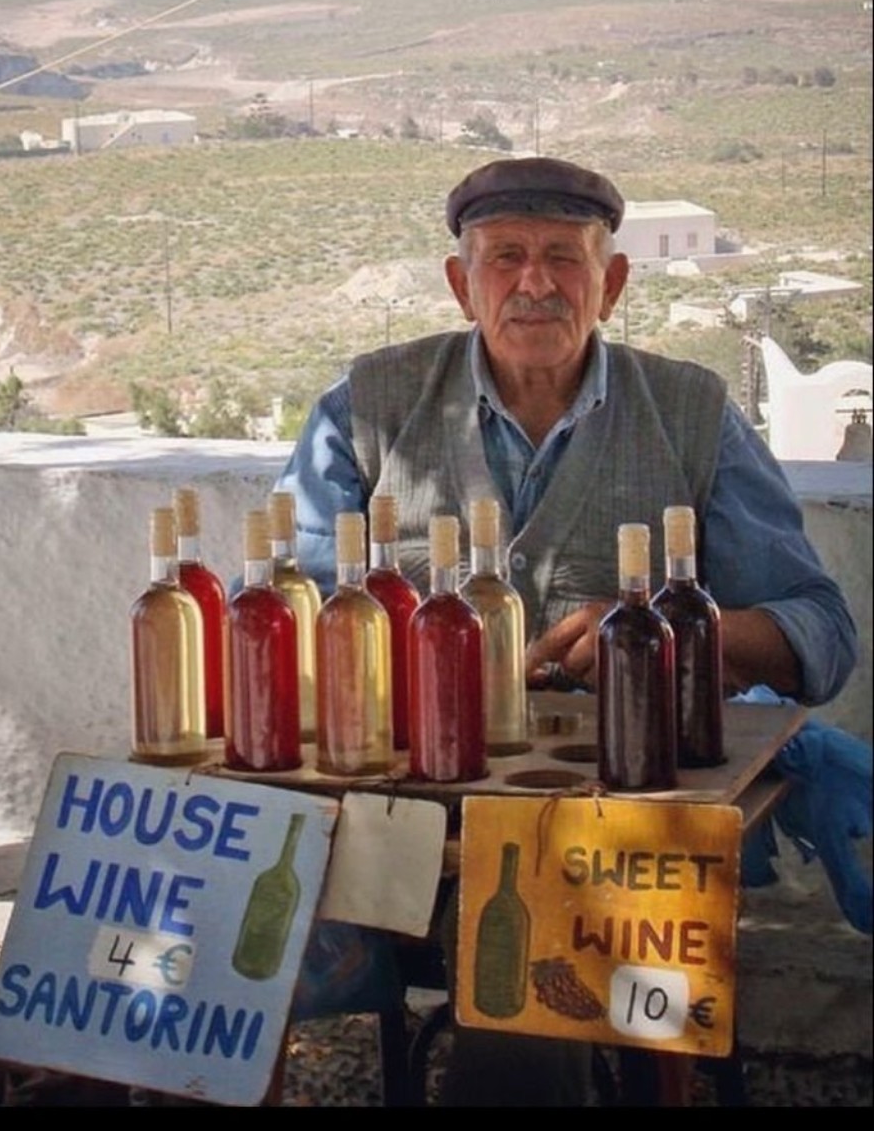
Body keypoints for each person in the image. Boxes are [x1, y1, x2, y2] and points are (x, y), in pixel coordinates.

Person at [274, 153, 858, 1105]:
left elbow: (819, 638)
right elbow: (296, 613)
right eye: (504, 258)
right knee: (195, 909)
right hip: (400, 811)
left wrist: (666, 632)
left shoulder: (690, 412)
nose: (534, 283)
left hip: (607, 822)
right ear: (463, 285)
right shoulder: (364, 409)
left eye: (563, 257)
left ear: (611, 283)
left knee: (526, 967)